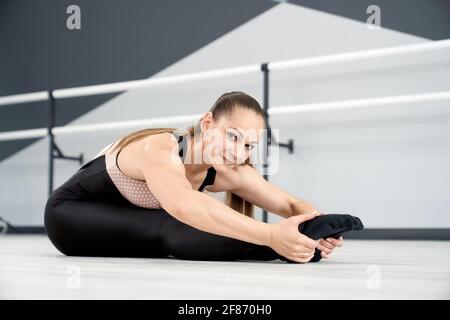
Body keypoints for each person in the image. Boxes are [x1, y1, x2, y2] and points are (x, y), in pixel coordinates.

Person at [44, 91, 343, 263]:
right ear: (208, 122)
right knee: (174, 225)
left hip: (134, 226)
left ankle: (291, 244)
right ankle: (280, 247)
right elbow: (183, 205)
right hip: (69, 216)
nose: (238, 153)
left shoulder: (229, 169)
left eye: (249, 145)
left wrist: (317, 225)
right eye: (233, 137)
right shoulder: (160, 147)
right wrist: (273, 236)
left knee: (178, 228)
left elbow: (289, 204)